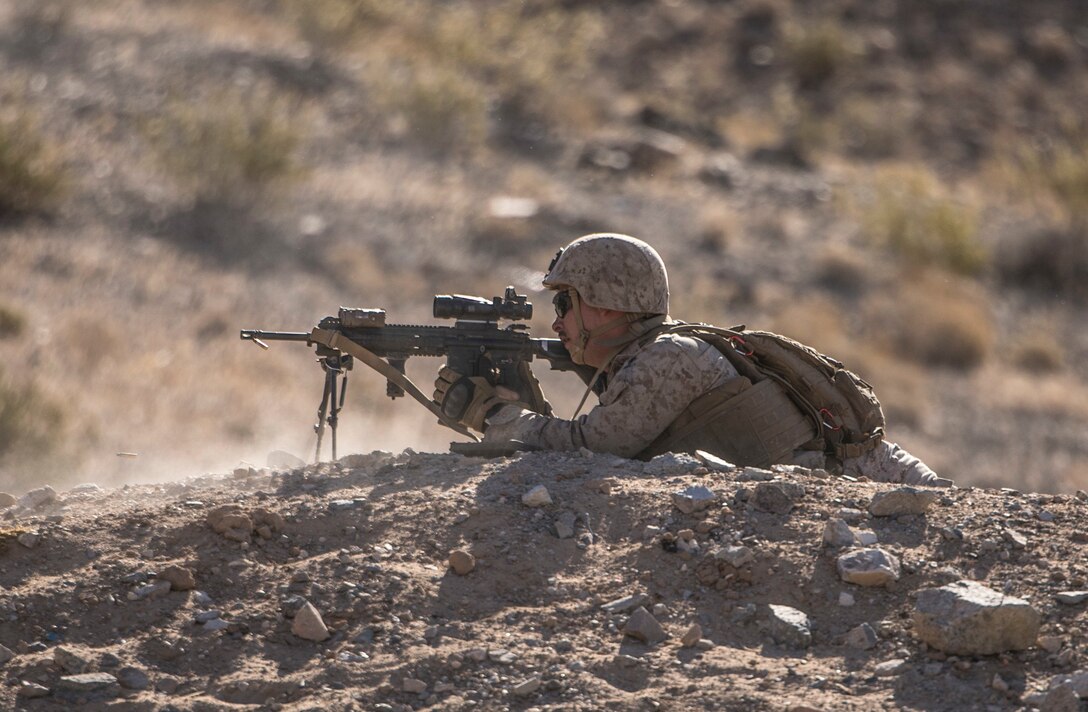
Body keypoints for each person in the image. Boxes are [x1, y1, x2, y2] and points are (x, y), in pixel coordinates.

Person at [433, 233, 950, 486]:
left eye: (565, 303)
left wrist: (494, 415)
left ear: (609, 304)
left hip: (873, 483)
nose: (557, 321)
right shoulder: (652, 354)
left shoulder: (667, 359)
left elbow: (594, 447)